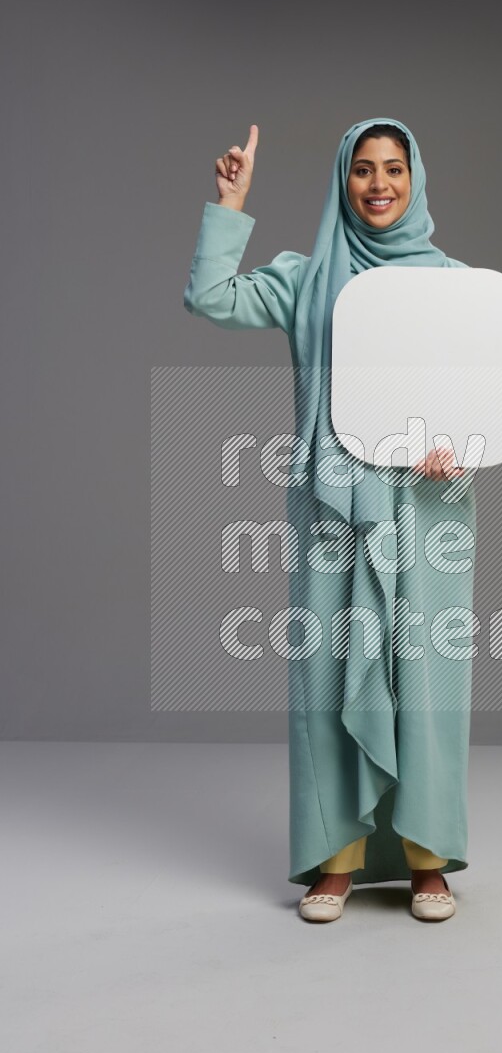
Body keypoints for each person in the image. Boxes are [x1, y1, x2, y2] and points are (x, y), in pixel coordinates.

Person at [184, 116, 477, 922]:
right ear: (342, 182)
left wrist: (459, 445)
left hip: (426, 508)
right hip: (330, 508)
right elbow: (209, 296)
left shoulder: (455, 284)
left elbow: (483, 400)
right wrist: (231, 204)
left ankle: (427, 860)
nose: (378, 183)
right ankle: (335, 863)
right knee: (325, 680)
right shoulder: (305, 279)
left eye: (393, 168)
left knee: (423, 682)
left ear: (415, 179)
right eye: (361, 170)